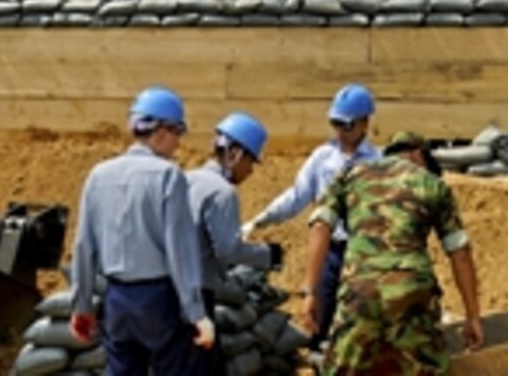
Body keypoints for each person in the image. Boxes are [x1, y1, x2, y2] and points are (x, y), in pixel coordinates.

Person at [303, 130, 484, 374]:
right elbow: (459, 253)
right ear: (418, 155)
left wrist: (311, 292)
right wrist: (473, 317)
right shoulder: (432, 183)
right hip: (411, 296)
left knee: (341, 369)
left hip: (359, 293)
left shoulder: (350, 175)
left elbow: (320, 226)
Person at [70, 87, 214, 375]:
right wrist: (197, 313)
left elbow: (84, 247)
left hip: (117, 299)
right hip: (157, 299)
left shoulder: (99, 175)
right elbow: (180, 251)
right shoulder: (169, 176)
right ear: (161, 132)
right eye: (178, 134)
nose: (178, 145)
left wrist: (81, 304)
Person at [241, 83, 381, 349]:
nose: (340, 132)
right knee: (318, 319)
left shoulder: (378, 162)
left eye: (346, 125)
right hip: (330, 253)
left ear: (365, 123)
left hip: (366, 256)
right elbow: (296, 197)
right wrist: (261, 220)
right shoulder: (323, 159)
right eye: (335, 124)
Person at [186, 112, 283, 376]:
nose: (250, 171)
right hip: (197, 294)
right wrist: (268, 256)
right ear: (236, 153)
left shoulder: (185, 179)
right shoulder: (222, 192)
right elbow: (227, 250)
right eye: (251, 161)